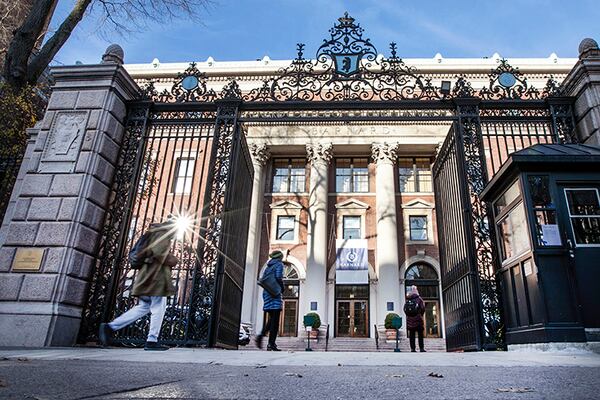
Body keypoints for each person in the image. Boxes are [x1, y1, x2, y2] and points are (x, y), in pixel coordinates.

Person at [99, 220, 178, 351]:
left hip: (147, 277)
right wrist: (174, 260)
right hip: (155, 278)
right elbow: (159, 254)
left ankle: (110, 327)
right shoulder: (161, 233)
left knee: (144, 307)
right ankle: (152, 340)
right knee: (159, 307)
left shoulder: (154, 232)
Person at [255, 250, 285, 351]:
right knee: (275, 321)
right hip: (275, 293)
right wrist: (282, 288)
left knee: (272, 319)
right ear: (280, 257)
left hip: (267, 293)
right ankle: (270, 343)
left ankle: (264, 338)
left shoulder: (268, 266)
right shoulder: (279, 265)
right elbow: (278, 277)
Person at [404, 285, 426, 353]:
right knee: (420, 335)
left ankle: (412, 349)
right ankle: (421, 348)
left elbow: (405, 309)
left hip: (410, 320)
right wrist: (420, 315)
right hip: (418, 319)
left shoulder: (408, 299)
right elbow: (423, 308)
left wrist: (409, 315)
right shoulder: (419, 299)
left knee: (412, 335)